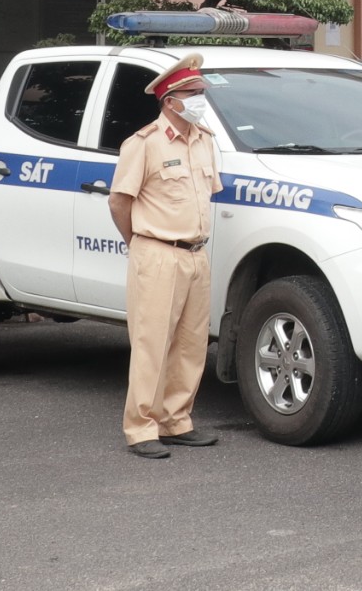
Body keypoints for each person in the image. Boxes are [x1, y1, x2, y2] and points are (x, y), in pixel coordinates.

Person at [109, 54, 224, 456]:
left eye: (201, 93)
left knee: (191, 345)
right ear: (170, 99)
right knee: (151, 343)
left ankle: (177, 420)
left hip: (196, 253)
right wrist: (138, 243)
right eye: (194, 94)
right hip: (157, 252)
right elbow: (120, 202)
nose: (200, 100)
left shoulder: (205, 140)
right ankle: (141, 428)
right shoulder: (144, 143)